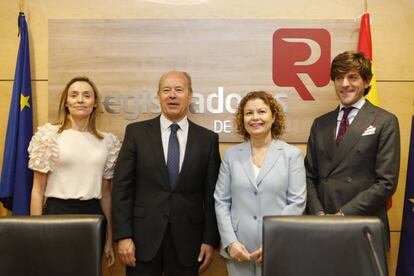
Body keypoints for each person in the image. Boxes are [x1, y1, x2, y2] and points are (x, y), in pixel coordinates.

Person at [112, 71, 221, 276]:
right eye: (166, 90)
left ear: (190, 96)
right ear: (158, 96)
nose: (172, 95)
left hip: (189, 242)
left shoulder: (207, 140)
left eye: (179, 90)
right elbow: (121, 188)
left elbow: (212, 195)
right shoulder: (136, 133)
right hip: (141, 241)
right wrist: (124, 236)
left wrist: (209, 240)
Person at [305, 51, 400, 249]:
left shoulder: (385, 121)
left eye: (352, 77)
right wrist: (319, 215)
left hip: (363, 225)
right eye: (339, 78)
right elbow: (309, 176)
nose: (344, 84)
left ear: (366, 82)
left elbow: (386, 183)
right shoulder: (320, 124)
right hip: (323, 227)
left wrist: (343, 214)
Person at [28, 76, 120, 269]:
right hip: (56, 214)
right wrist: (34, 232)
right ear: (66, 102)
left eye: (87, 95)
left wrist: (109, 237)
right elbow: (38, 189)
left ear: (94, 103)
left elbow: (106, 194)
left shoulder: (107, 142)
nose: (80, 100)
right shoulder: (49, 136)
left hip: (93, 217)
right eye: (74, 95)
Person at [214, 91, 307, 276]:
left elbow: (297, 203)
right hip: (239, 252)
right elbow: (221, 201)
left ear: (273, 117)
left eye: (261, 112)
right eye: (249, 113)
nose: (255, 118)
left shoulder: (291, 155)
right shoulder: (232, 156)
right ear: (243, 120)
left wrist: (273, 241)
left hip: (278, 249)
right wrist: (231, 243)